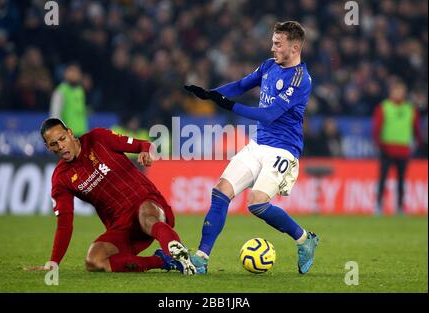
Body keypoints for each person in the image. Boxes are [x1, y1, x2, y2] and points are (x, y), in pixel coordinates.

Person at [184, 21, 319, 274]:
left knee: (256, 203)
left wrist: (228, 105)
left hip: (283, 150)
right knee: (221, 191)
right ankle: (201, 258)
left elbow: (269, 115)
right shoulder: (269, 66)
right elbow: (240, 86)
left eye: (278, 44)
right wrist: (210, 94)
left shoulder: (301, 79)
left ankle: (304, 239)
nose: (272, 48)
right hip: (257, 144)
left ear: (295, 47)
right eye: (273, 42)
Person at [25, 118, 196, 275]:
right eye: (54, 144)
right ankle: (164, 261)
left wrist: (145, 151)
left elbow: (143, 144)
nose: (60, 146)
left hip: (143, 199)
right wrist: (53, 263)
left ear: (70, 133)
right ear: (49, 148)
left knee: (147, 218)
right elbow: (64, 225)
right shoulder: (61, 178)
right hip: (120, 224)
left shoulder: (98, 137)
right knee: (94, 261)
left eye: (62, 139)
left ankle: (179, 252)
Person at [372, 80, 423, 215]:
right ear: (391, 92)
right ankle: (378, 205)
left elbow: (416, 129)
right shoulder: (383, 107)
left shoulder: (410, 109)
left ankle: (400, 207)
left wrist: (419, 142)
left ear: (404, 92)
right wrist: (377, 142)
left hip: (403, 149)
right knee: (382, 179)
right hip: (386, 148)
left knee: (401, 180)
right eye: (396, 90)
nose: (398, 93)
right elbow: (377, 127)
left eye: (400, 90)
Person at [49, 64, 88, 136]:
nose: (74, 75)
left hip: (82, 133)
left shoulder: (80, 90)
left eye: (76, 72)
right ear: (65, 74)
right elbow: (55, 113)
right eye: (71, 72)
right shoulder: (60, 91)